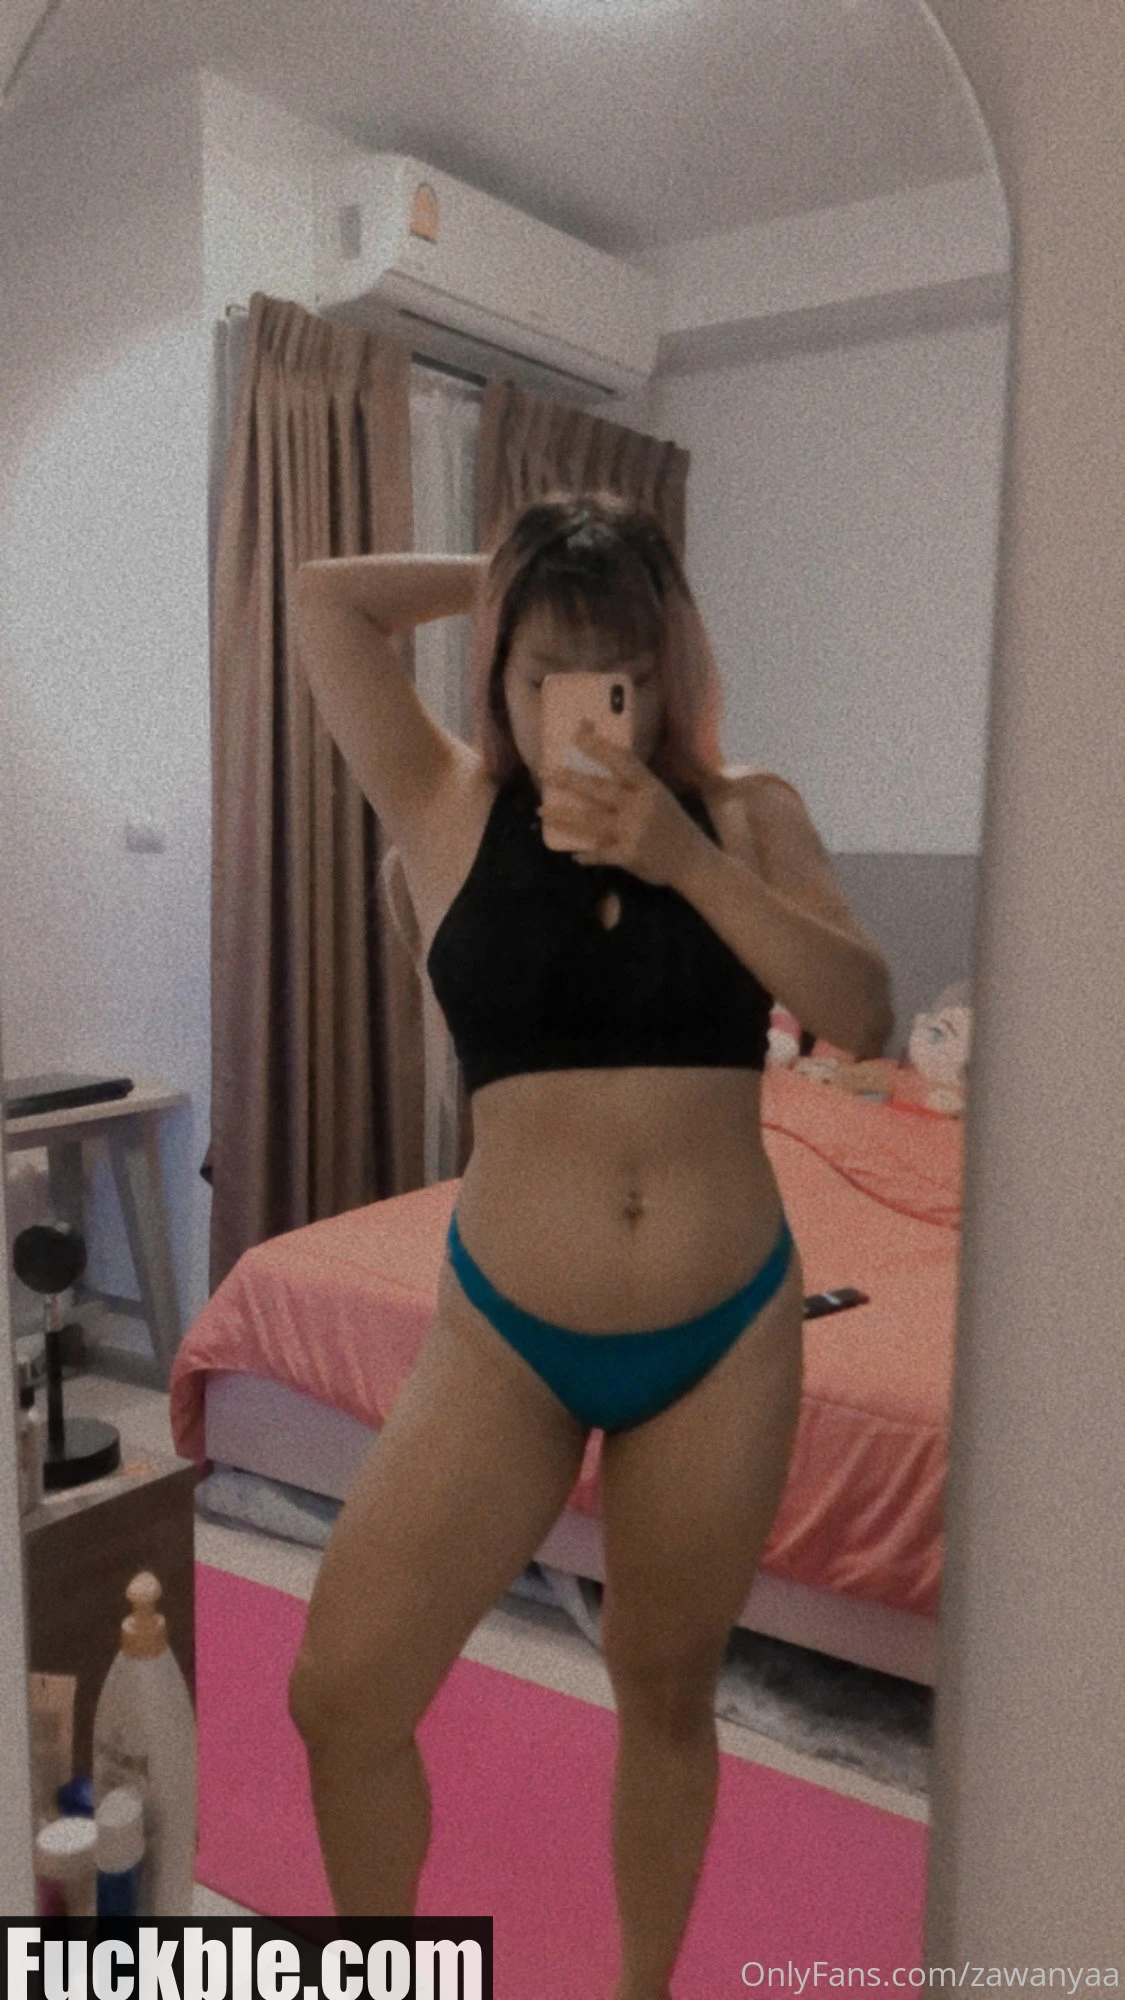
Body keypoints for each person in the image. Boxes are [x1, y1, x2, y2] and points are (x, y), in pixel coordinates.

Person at [287, 492, 892, 1997]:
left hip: (722, 1334)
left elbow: (864, 1014)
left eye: (617, 667)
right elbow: (323, 602)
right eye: (544, 668)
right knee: (341, 1697)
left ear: (670, 667)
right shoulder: (442, 804)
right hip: (507, 1334)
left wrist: (687, 859)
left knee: (664, 1694)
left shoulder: (750, 814)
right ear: (497, 670)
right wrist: (512, 566)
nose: (581, 702)